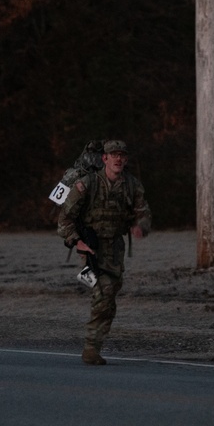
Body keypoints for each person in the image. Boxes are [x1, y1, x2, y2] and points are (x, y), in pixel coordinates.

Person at [57, 139, 152, 365]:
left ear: (126, 159)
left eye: (122, 155)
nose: (118, 158)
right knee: (103, 293)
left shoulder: (132, 185)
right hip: (91, 247)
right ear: (104, 159)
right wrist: (76, 242)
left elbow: (144, 212)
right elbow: (64, 219)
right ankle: (91, 349)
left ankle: (94, 345)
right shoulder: (87, 184)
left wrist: (141, 226)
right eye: (113, 155)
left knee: (109, 299)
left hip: (115, 248)